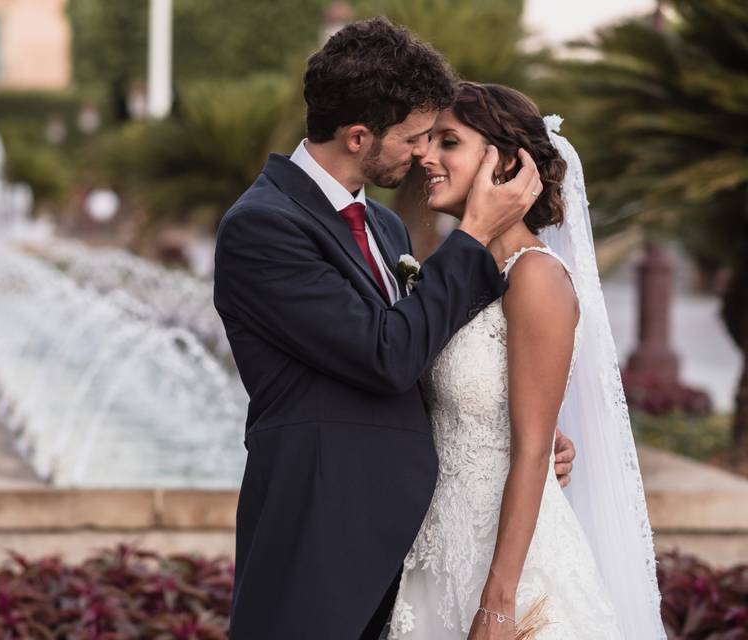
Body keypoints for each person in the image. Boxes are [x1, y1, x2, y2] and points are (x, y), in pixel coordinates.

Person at [212, 19, 575, 639]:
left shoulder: (385, 231)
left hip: (417, 545)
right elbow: (385, 355)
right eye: (413, 138)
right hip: (319, 536)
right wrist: (474, 236)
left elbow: (427, 347)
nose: (421, 155)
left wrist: (516, 420)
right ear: (359, 136)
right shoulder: (263, 227)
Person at [388, 82, 666, 639]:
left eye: (449, 143)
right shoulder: (452, 273)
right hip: (436, 552)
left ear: (505, 165)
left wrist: (497, 601)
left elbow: (534, 450)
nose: (426, 157)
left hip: (508, 567)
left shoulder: (535, 275)